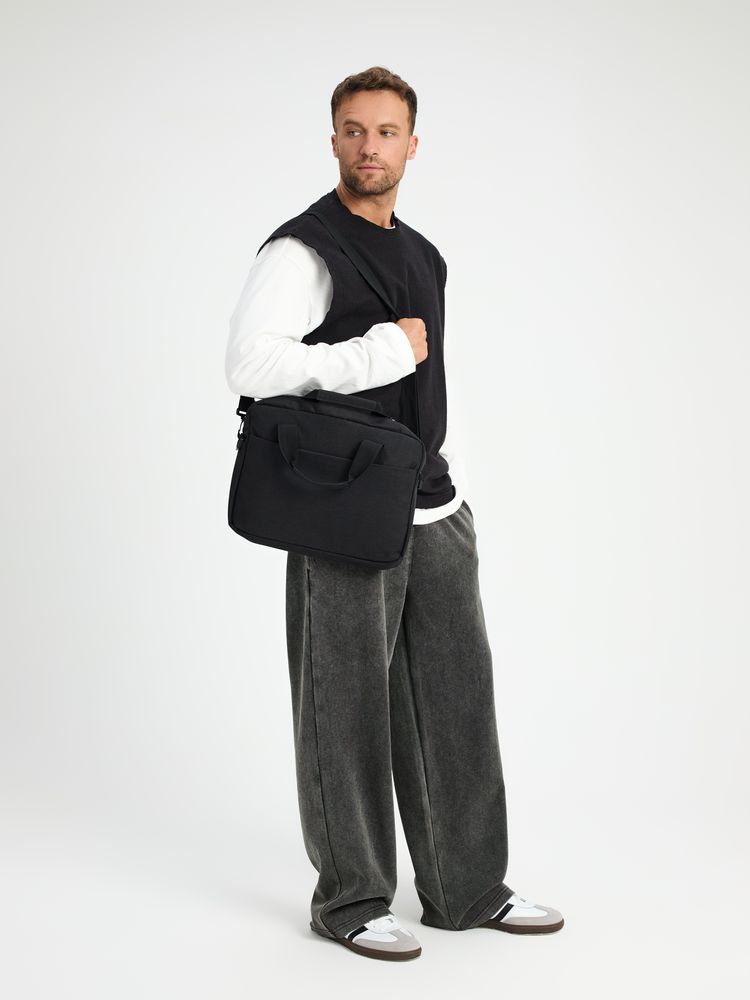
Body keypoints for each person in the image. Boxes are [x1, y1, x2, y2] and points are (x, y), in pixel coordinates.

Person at [225, 66, 564, 962]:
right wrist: (377, 352)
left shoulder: (425, 255)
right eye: (353, 130)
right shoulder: (301, 251)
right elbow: (249, 365)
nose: (368, 146)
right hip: (341, 508)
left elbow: (430, 384)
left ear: (413, 145)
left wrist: (450, 477)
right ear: (332, 140)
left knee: (455, 699)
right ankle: (350, 899)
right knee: (343, 708)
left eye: (385, 132)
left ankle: (466, 887)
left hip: (432, 500)